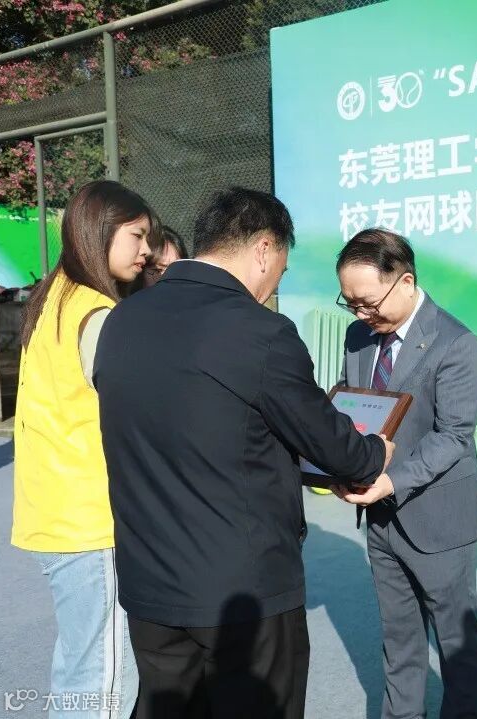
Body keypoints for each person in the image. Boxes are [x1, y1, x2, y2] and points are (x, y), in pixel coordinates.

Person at [93, 187, 393, 719]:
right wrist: (375, 450)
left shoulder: (122, 321)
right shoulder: (260, 332)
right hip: (243, 595)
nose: (276, 282)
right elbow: (336, 448)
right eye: (281, 267)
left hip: (150, 587)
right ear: (263, 249)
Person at [12, 179, 158, 718]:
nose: (146, 251)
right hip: (90, 521)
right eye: (137, 236)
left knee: (78, 666)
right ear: (100, 232)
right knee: (102, 681)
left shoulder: (53, 297)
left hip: (52, 514)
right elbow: (137, 411)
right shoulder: (97, 312)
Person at [331, 228, 477, 719]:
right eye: (350, 303)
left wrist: (390, 481)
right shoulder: (359, 335)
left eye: (368, 302)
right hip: (381, 519)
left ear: (405, 282)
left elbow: (453, 436)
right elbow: (351, 404)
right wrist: (337, 462)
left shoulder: (456, 343)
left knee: (457, 649)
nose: (361, 314)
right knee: (398, 643)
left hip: (438, 521)